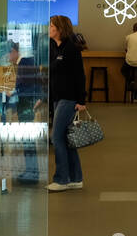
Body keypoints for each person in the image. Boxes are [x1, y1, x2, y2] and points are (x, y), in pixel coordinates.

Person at [47, 14, 87, 192]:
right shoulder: (52, 47)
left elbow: (80, 75)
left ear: (60, 29)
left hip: (68, 98)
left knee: (56, 137)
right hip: (57, 97)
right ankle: (76, 178)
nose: (49, 29)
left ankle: (62, 179)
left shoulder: (71, 49)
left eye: (51, 26)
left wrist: (81, 100)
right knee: (65, 138)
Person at [8, 41, 44, 185]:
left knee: (27, 140)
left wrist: (11, 92)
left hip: (26, 104)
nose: (7, 57)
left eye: (8, 53)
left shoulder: (24, 63)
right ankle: (31, 171)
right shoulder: (26, 61)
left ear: (14, 51)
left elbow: (26, 86)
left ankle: (32, 173)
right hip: (28, 103)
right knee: (27, 140)